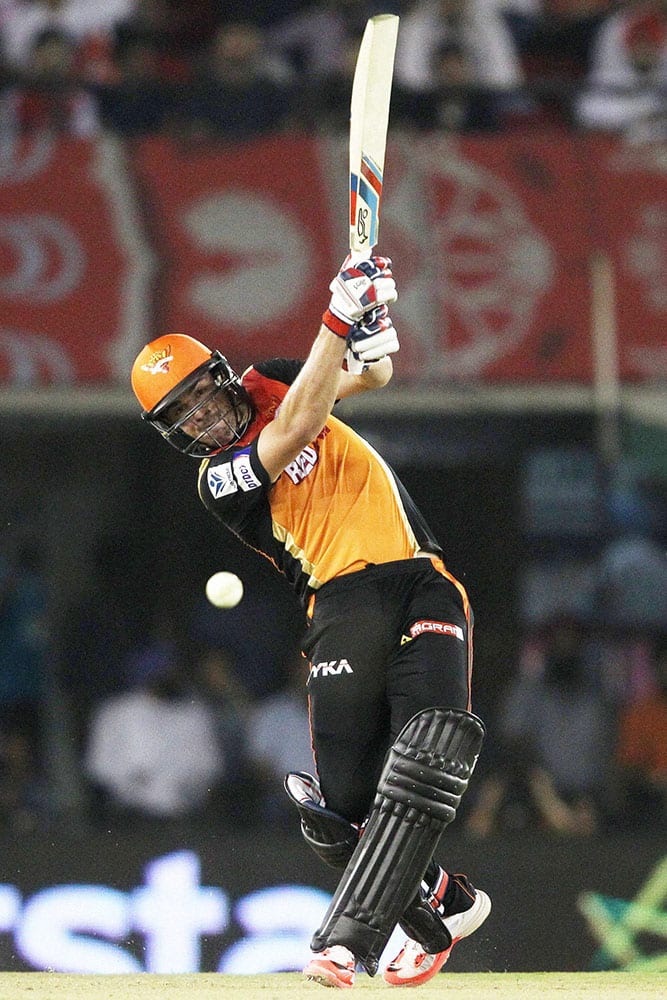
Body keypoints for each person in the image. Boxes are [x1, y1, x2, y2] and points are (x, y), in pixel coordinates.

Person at [130, 255, 490, 989]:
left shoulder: (271, 376)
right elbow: (295, 429)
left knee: (424, 757)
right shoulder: (218, 481)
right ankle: (441, 905)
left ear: (223, 376)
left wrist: (367, 332)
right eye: (182, 417)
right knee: (344, 815)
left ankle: (345, 945)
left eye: (200, 396)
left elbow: (365, 379)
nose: (200, 417)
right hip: (338, 603)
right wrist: (337, 315)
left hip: (420, 581)